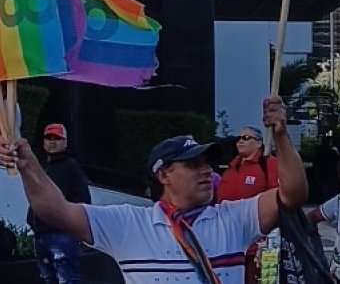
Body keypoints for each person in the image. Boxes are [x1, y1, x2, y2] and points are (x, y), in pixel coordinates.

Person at [0, 96, 308, 283]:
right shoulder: (129, 224)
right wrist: (28, 164)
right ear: (163, 174)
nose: (207, 171)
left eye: (208, 163)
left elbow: (293, 194)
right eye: (193, 164)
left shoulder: (234, 219)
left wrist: (281, 136)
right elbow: (55, 210)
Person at [27, 124, 90, 284]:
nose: (52, 142)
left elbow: (84, 201)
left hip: (62, 235)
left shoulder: (71, 167)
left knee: (66, 278)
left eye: (57, 138)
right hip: (41, 235)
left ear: (65, 143)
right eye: (49, 138)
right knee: (49, 278)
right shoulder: (41, 165)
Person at [217, 125, 280, 284]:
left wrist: (268, 242)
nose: (240, 141)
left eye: (246, 138)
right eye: (238, 138)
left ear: (259, 143)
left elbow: (278, 200)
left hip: (258, 247)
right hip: (230, 246)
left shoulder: (269, 165)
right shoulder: (230, 169)